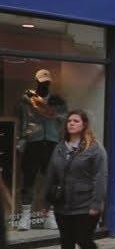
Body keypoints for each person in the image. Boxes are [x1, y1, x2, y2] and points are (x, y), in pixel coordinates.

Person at [44, 110, 110, 249]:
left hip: (85, 202)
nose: (71, 123)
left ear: (84, 124)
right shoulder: (60, 148)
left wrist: (97, 203)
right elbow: (51, 175)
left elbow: (101, 177)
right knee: (66, 242)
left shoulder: (94, 148)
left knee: (83, 239)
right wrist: (46, 202)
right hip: (63, 203)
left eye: (76, 121)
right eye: (69, 121)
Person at [15, 68, 68, 231]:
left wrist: (62, 142)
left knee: (51, 180)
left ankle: (49, 215)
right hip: (33, 141)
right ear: (37, 81)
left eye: (47, 83)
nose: (45, 85)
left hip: (52, 142)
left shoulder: (57, 101)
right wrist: (21, 140)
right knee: (29, 179)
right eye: (42, 82)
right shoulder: (26, 100)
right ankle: (25, 216)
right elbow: (21, 120)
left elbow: (63, 120)